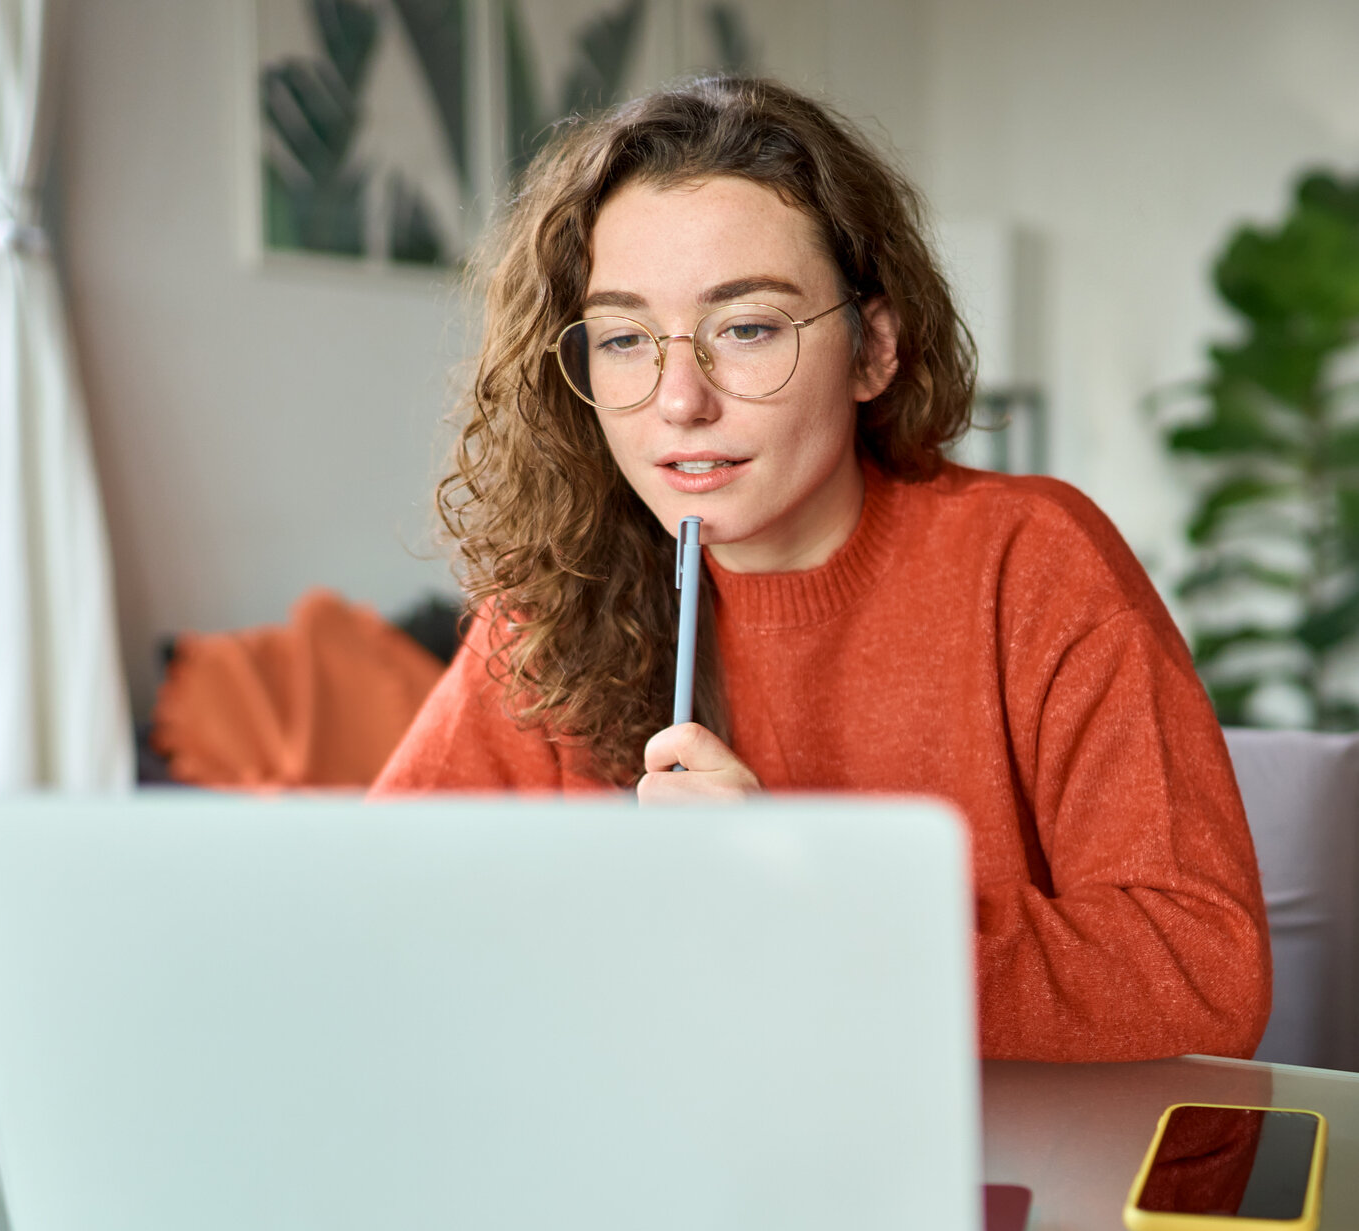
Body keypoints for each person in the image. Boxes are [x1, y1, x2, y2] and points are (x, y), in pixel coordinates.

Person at [371, 75, 1271, 1064]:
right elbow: (372, 917)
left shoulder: (1031, 563)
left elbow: (1200, 969)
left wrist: (816, 907)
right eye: (626, 339)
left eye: (746, 328)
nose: (678, 401)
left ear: (872, 348)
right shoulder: (550, 607)